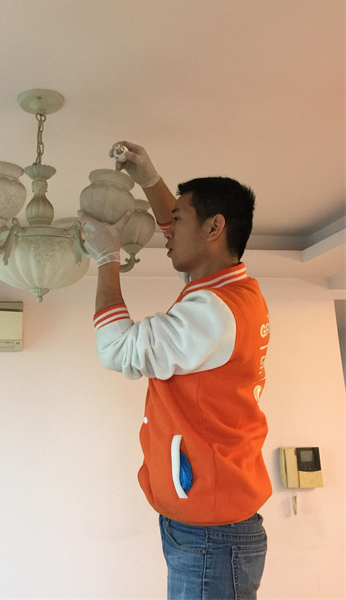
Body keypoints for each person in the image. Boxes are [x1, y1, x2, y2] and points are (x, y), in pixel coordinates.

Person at [78, 142, 271, 600]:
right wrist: (148, 177)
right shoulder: (229, 292)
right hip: (208, 526)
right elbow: (178, 231)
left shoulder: (214, 313)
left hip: (211, 535)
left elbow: (116, 348)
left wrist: (106, 258)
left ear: (214, 228)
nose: (166, 230)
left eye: (178, 219)